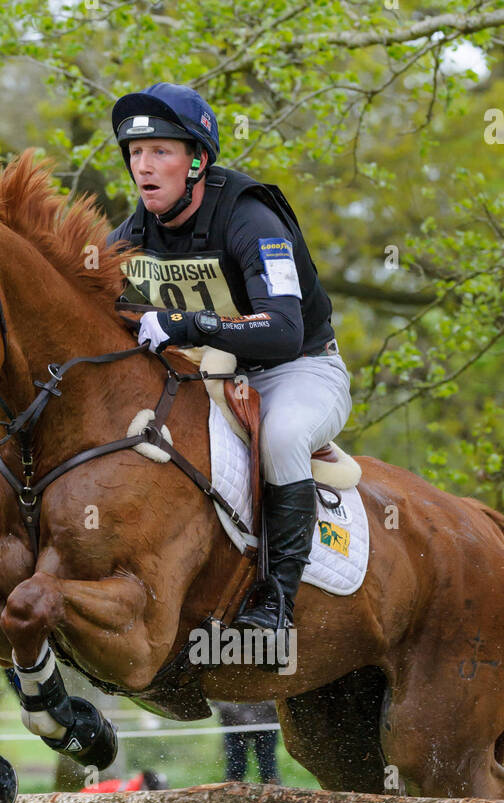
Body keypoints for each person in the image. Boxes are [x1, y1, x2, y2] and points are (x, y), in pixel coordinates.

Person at [107, 83, 352, 667]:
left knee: (285, 436)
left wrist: (185, 324)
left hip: (297, 370)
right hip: (210, 378)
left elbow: (284, 330)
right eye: (135, 153)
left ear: (197, 160)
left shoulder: (251, 217)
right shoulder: (130, 238)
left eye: (160, 151)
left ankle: (275, 602)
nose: (143, 166)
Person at [213, 701, 280, 784]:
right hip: (233, 721)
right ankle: (231, 786)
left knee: (268, 761)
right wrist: (227, 707)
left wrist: (271, 706)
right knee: (235, 762)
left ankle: (273, 787)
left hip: (267, 720)